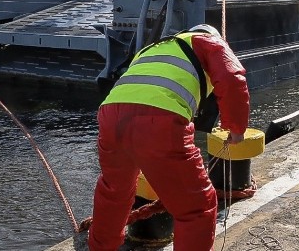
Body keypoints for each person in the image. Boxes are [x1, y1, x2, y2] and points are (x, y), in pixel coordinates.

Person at [87, 24, 250, 251]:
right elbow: (232, 77)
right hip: (160, 119)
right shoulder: (208, 41)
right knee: (196, 207)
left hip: (111, 115)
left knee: (114, 193)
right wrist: (236, 127)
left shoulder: (152, 49)